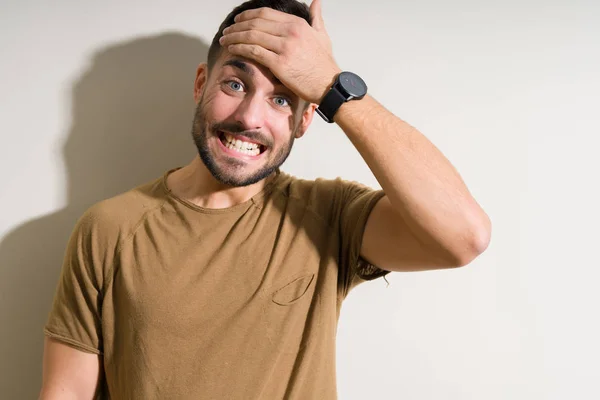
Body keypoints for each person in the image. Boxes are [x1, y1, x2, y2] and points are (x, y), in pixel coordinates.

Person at [39, 0, 491, 398]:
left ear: (306, 118)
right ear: (201, 84)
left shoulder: (329, 217)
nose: (249, 117)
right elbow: (67, 392)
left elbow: (464, 236)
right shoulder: (109, 228)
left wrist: (334, 85)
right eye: (235, 85)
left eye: (281, 99)